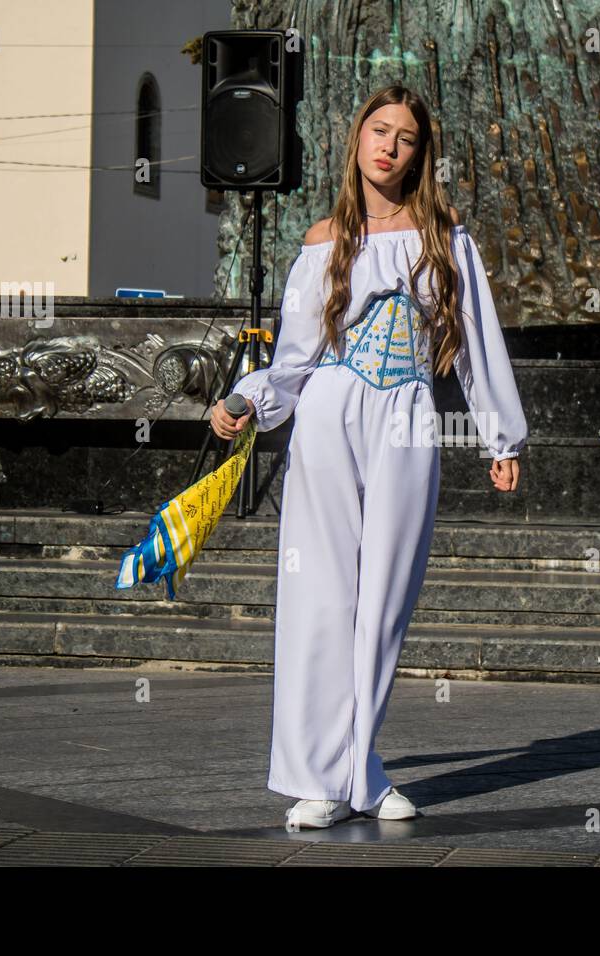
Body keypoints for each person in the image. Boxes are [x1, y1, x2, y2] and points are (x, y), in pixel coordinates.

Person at [210, 84, 528, 829]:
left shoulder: (445, 236)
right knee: (320, 597)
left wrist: (499, 435)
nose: (389, 145)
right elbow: (294, 358)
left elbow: (478, 343)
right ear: (357, 141)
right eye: (378, 130)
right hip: (328, 412)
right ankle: (318, 780)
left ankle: (361, 768)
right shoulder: (324, 241)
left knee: (383, 602)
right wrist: (248, 399)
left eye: (406, 137)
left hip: (408, 418)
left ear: (421, 155)